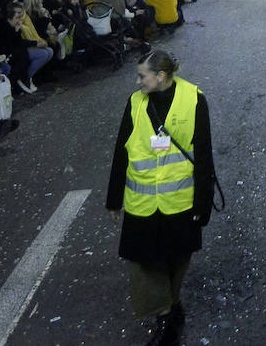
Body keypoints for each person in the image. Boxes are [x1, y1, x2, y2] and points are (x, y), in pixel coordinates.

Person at [106, 50, 213, 346]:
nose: (137, 81)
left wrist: (203, 203)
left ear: (161, 76)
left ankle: (172, 306)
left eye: (142, 76)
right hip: (142, 205)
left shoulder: (194, 99)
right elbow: (121, 153)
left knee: (177, 260)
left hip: (180, 202)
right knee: (144, 265)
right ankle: (164, 317)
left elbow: (204, 154)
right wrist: (114, 199)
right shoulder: (134, 103)